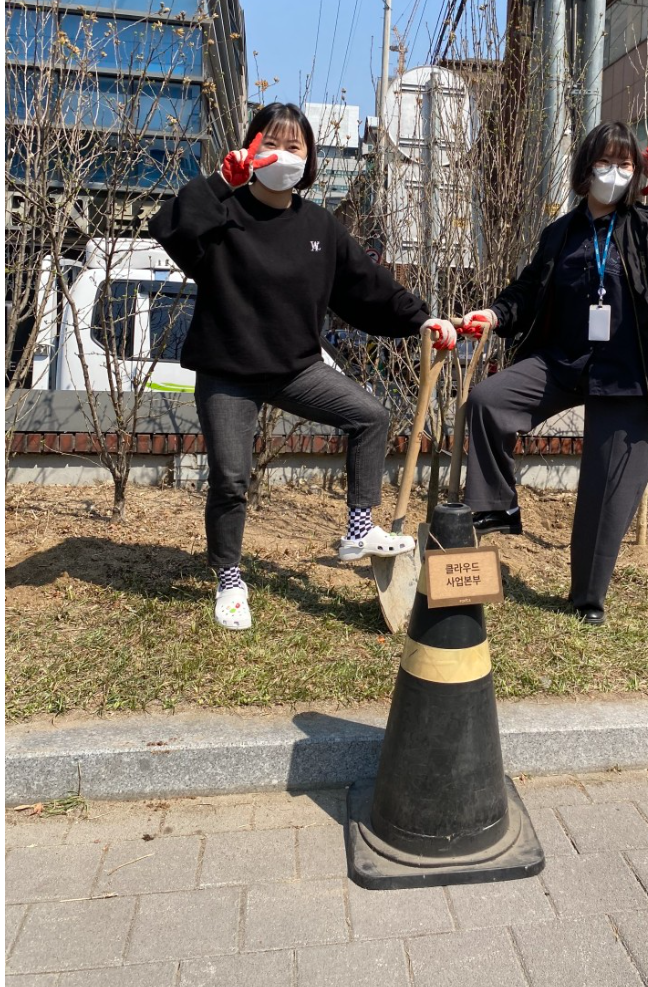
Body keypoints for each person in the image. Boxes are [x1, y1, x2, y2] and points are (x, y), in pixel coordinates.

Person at [148, 103, 456, 631]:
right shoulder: (223, 211)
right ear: (249, 150)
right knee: (230, 478)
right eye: (270, 143)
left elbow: (368, 287)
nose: (282, 155)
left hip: (296, 368)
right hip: (228, 371)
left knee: (371, 416)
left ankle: (359, 529)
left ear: (309, 158)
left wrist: (424, 320)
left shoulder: (320, 226)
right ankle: (229, 578)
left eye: (294, 147)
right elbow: (169, 229)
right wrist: (221, 183)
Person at [459, 123, 648, 626]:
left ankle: (586, 599)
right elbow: (527, 290)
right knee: (487, 401)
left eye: (625, 165)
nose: (614, 173)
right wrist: (495, 316)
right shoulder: (561, 232)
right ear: (585, 171)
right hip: (564, 362)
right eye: (604, 163)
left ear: (637, 174)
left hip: (631, 374)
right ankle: (496, 505)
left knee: (605, 494)